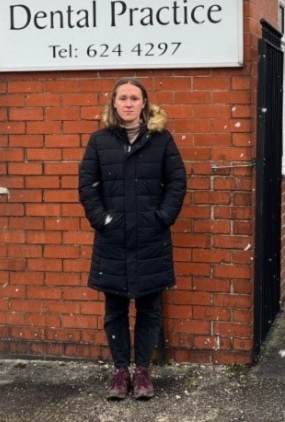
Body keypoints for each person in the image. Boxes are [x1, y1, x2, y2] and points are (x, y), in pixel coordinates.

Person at [78, 77, 187, 401]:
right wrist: (102, 220)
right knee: (115, 309)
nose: (128, 103)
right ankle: (120, 370)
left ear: (144, 103)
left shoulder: (161, 140)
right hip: (112, 239)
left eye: (134, 98)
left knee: (149, 308)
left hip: (150, 238)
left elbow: (177, 183)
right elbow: (87, 186)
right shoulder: (99, 142)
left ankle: (142, 371)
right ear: (114, 103)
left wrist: (161, 218)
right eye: (122, 98)